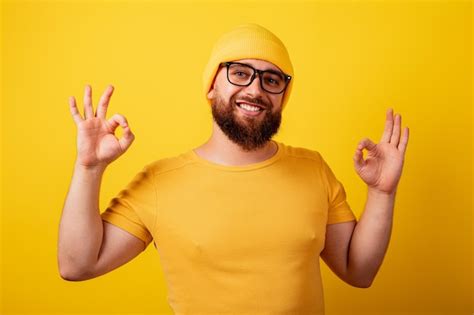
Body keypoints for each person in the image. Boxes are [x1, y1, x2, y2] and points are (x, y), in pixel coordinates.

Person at [58, 23, 409, 315]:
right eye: (240, 73)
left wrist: (382, 192)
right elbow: (76, 266)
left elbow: (359, 271)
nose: (255, 89)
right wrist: (88, 169)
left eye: (272, 79)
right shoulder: (159, 182)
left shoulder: (313, 169)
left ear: (283, 95)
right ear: (212, 87)